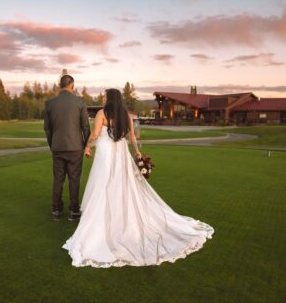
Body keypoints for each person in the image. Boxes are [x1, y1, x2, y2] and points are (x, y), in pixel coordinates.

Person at [63, 88, 214, 267]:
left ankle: (103, 218)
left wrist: (88, 146)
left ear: (109, 99)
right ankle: (118, 214)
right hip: (121, 152)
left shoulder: (102, 113)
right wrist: (137, 152)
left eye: (105, 97)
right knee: (121, 183)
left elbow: (95, 134)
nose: (103, 99)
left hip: (105, 153)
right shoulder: (126, 115)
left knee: (103, 182)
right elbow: (132, 137)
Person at [44, 75, 90, 221]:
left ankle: (56, 210)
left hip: (57, 146)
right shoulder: (79, 102)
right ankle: (73, 211)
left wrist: (52, 143)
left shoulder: (50, 103)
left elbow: (47, 128)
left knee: (58, 179)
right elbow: (85, 126)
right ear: (72, 85)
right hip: (75, 147)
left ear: (60, 85)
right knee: (74, 179)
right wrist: (86, 144)